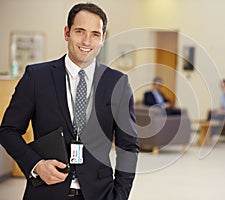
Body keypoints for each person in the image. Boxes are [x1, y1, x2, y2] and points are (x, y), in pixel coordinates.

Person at [0, 3, 139, 200]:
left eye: (95, 34)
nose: (87, 41)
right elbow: (7, 131)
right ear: (67, 33)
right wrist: (36, 165)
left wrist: (120, 196)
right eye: (80, 31)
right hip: (45, 193)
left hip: (100, 194)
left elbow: (129, 146)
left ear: (103, 38)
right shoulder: (36, 77)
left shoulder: (117, 83)